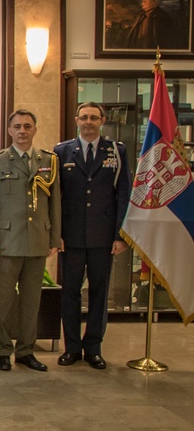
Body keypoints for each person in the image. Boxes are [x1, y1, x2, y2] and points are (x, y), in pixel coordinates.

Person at [54, 102, 131, 370]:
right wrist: (57, 234)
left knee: (99, 293)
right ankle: (72, 348)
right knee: (70, 293)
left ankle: (94, 348)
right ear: (76, 120)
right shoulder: (61, 152)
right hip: (71, 238)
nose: (88, 122)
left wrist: (120, 235)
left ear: (102, 120)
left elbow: (123, 195)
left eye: (93, 118)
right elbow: (56, 198)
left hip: (103, 238)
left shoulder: (117, 152)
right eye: (84, 117)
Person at [0, 109, 61, 372]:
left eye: (27, 126)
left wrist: (54, 237)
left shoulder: (49, 161)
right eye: (17, 126)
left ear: (35, 129)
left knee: (31, 301)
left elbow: (55, 204)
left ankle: (26, 350)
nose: (22, 131)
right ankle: (3, 351)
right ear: (9, 131)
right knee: (3, 301)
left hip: (38, 240)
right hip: (7, 242)